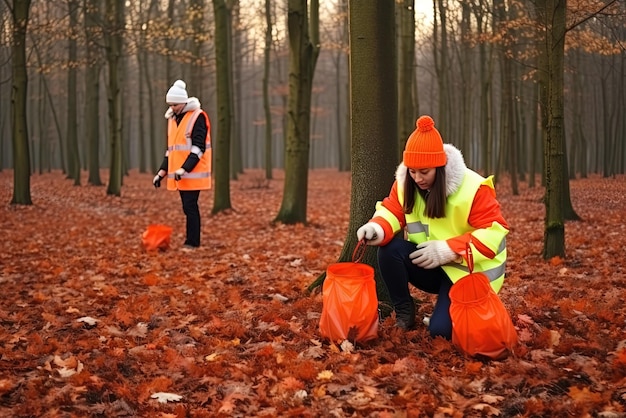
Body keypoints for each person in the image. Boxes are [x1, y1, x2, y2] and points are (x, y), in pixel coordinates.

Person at [356, 115, 509, 339]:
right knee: (388, 251)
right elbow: (391, 211)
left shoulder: (474, 187)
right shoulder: (404, 183)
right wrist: (376, 228)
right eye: (412, 171)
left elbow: (493, 232)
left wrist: (448, 249)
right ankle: (404, 311)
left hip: (469, 273)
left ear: (440, 167)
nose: (417, 178)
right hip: (432, 266)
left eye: (424, 172)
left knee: (440, 332)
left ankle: (443, 316)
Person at [153, 80, 212, 249]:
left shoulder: (197, 116)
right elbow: (171, 151)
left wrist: (184, 168)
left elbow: (198, 147)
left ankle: (192, 242)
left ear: (184, 102)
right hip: (181, 174)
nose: (172, 108)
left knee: (190, 207)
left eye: (175, 104)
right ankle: (191, 241)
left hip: (193, 171)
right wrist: (161, 173)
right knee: (187, 208)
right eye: (170, 105)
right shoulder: (173, 119)